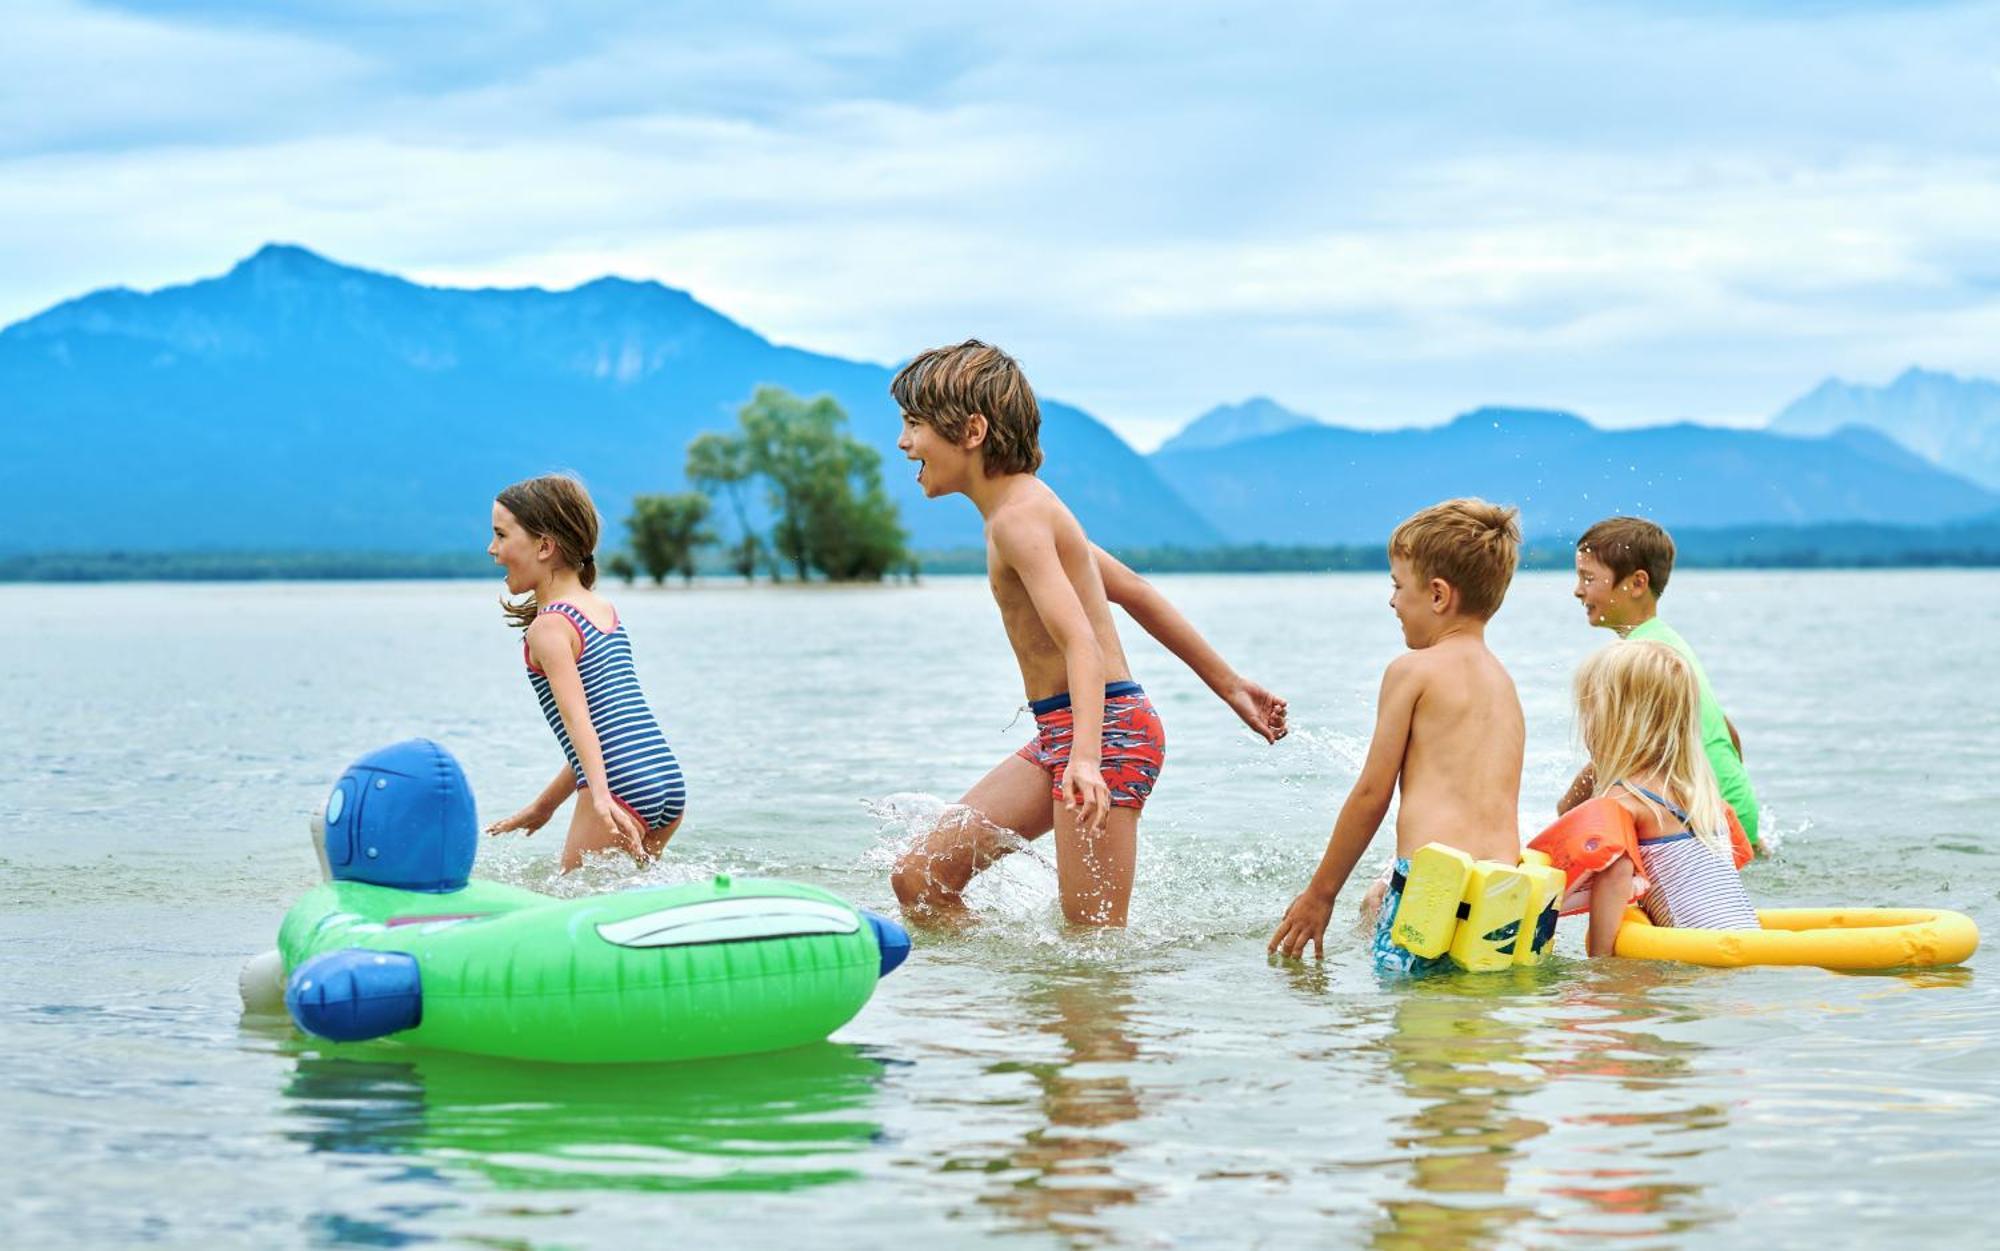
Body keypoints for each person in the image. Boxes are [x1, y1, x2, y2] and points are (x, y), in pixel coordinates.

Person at [886, 340, 1288, 928]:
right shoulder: (1025, 511)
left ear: (971, 430)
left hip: (1104, 733)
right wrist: (1231, 686)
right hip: (1070, 731)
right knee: (920, 879)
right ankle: (1010, 1001)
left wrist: (1086, 759)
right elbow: (1137, 593)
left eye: (914, 424)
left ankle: (1089, 1015)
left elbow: (1082, 642)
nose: (903, 442)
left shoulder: (1021, 519)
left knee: (1092, 944)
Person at [1269, 499, 1525, 974]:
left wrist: (1319, 894)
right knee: (1473, 1027)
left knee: (1413, 1033)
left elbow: (1372, 794)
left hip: (1433, 888)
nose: (1391, 601)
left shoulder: (1412, 672)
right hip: (1502, 891)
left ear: (1438, 595)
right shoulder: (1503, 684)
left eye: (1397, 585)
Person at [483, 474, 687, 871]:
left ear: (544, 546)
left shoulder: (550, 627)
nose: (492, 549)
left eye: (501, 535)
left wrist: (600, 798)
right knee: (634, 904)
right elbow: (604, 727)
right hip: (664, 777)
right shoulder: (601, 609)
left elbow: (579, 723)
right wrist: (544, 807)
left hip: (618, 785)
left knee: (574, 909)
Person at [1561, 516, 1762, 849]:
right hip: (1737, 818)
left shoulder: (1638, 657)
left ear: (1637, 583)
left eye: (1588, 578)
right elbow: (1729, 733)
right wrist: (1740, 810)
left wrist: (1565, 812)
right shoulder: (1670, 645)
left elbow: (1617, 754)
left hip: (1705, 826)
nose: (1578, 590)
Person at [1563, 641, 1759, 955]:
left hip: (1702, 965)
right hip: (1746, 946)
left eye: (1590, 712)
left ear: (1616, 721)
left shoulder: (1624, 801)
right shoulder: (1700, 795)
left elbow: (1614, 878)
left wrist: (1599, 967)